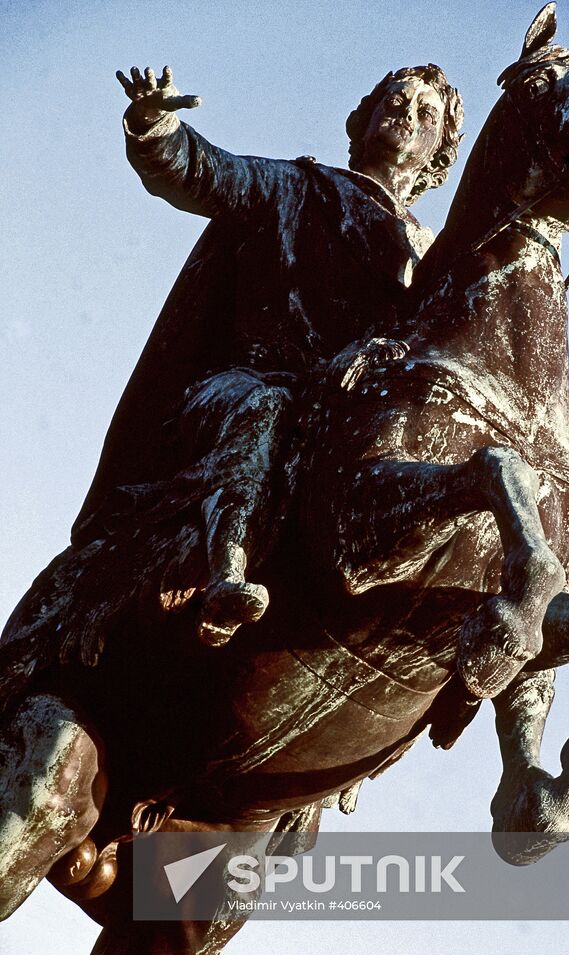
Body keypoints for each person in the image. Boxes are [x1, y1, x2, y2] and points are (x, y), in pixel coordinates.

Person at [69, 62, 464, 649]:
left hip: (339, 416)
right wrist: (154, 125)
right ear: (363, 120)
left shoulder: (433, 257)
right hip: (244, 389)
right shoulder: (297, 187)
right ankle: (227, 570)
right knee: (271, 404)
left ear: (438, 154)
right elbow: (205, 174)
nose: (406, 113)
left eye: (424, 113)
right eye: (396, 100)